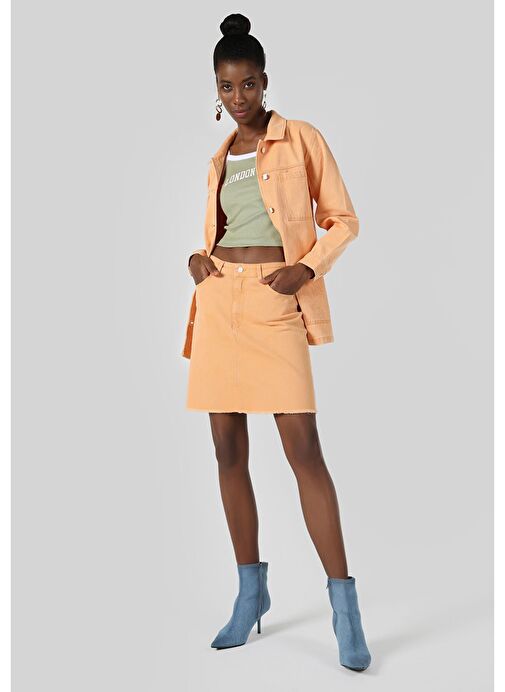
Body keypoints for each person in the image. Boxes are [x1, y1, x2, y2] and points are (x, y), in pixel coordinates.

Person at [183, 13, 372, 672]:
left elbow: (342, 220)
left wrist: (306, 269)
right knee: (227, 450)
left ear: (265, 81)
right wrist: (198, 260)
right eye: (226, 86)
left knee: (303, 450)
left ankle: (344, 609)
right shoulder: (217, 158)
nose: (238, 96)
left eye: (247, 83)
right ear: (216, 88)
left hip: (274, 303)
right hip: (218, 304)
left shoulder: (300, 139)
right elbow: (224, 228)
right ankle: (250, 593)